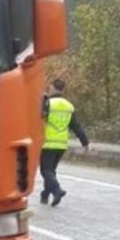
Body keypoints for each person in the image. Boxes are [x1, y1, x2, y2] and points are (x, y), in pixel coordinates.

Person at [39, 78, 90, 207]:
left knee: (46, 170)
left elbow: (38, 119)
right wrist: (85, 142)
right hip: (61, 144)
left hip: (48, 143)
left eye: (49, 87)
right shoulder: (69, 106)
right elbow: (75, 126)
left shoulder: (48, 103)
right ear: (63, 89)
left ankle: (57, 190)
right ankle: (45, 194)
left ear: (52, 87)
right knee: (51, 171)